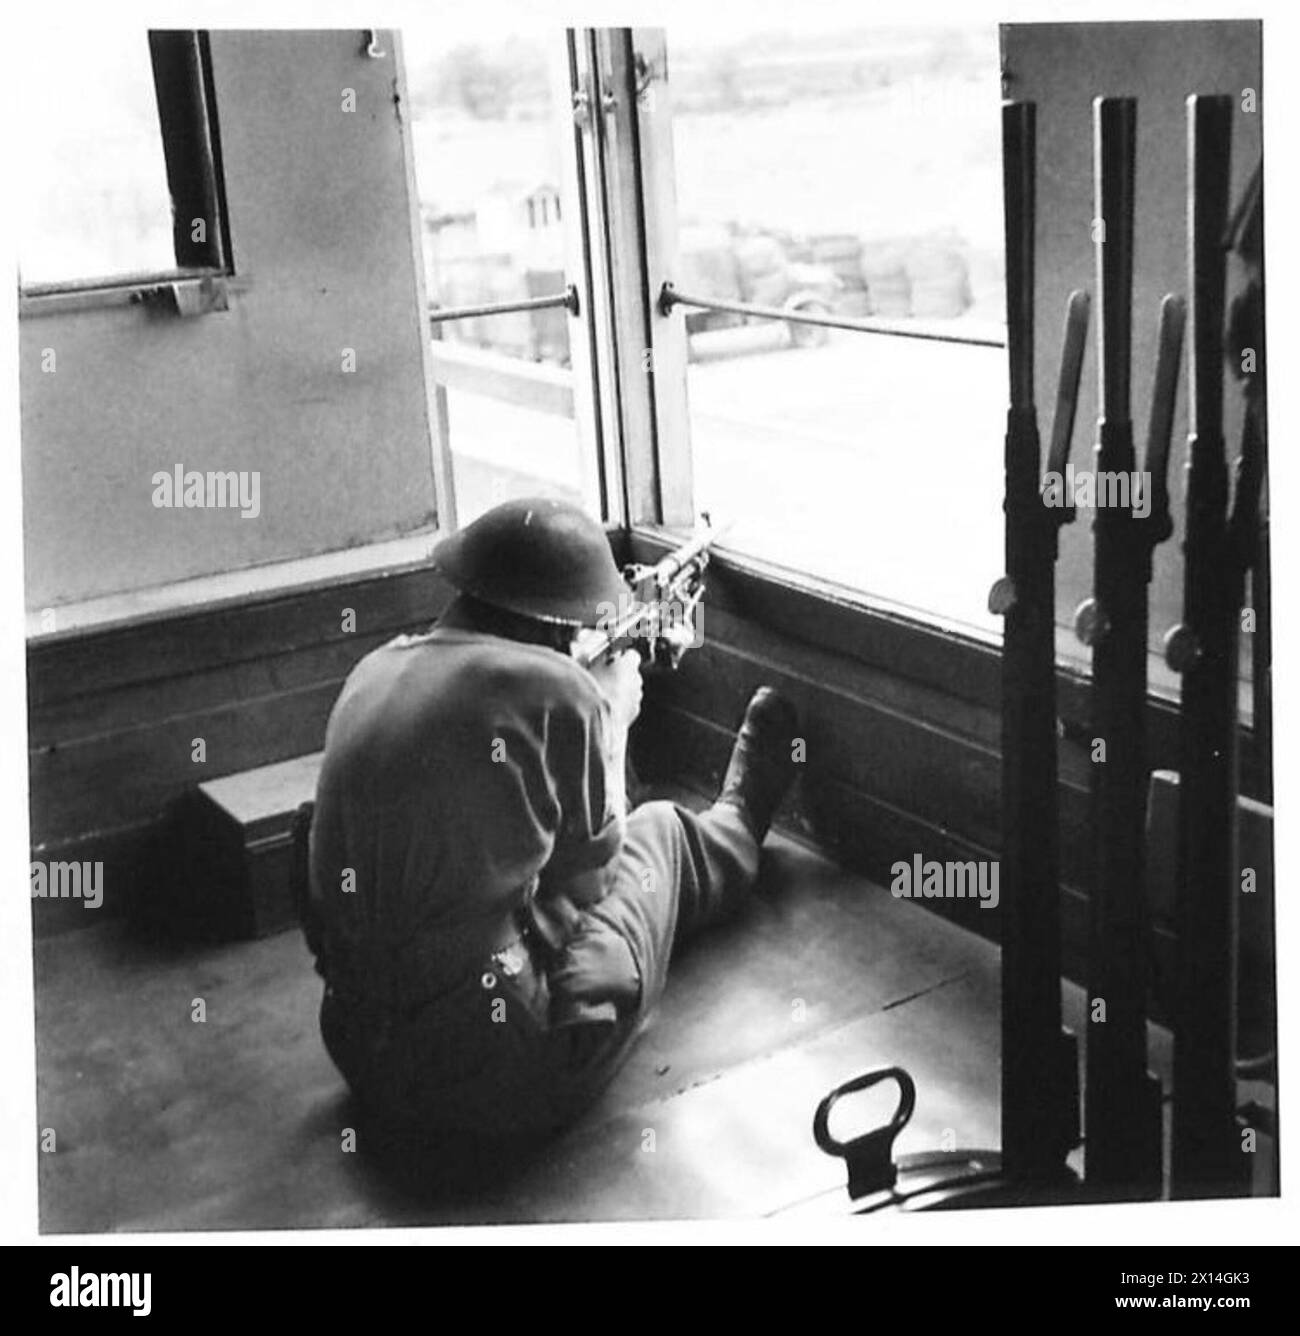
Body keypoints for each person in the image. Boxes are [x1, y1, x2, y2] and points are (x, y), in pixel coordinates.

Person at [301, 497, 799, 1157]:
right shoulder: (558, 692)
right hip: (497, 1080)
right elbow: (592, 882)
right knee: (660, 836)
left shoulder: (376, 669)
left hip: (363, 1054)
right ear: (563, 624)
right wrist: (610, 719)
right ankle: (738, 821)